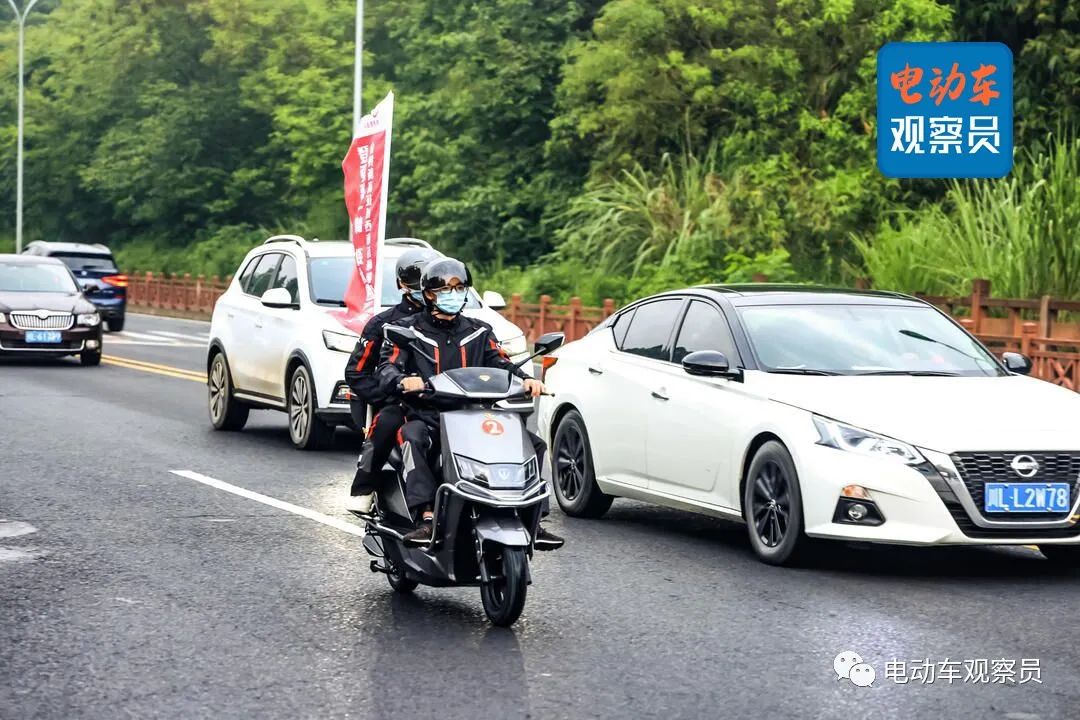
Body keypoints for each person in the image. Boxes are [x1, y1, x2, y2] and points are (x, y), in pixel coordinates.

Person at [376, 256, 564, 550]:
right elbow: (387, 367)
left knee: (532, 444)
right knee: (411, 437)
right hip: (429, 416)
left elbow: (501, 363)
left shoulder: (479, 331)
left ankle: (534, 519)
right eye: (444, 289)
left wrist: (527, 379)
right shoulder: (407, 331)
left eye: (459, 287)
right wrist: (402, 380)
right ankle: (426, 517)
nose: (453, 294)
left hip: (476, 415)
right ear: (428, 294)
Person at [343, 247, 441, 513]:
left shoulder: (455, 322)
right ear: (402, 285)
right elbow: (356, 373)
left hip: (446, 400)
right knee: (387, 422)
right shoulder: (384, 323)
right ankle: (368, 485)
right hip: (402, 400)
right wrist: (393, 393)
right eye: (416, 283)